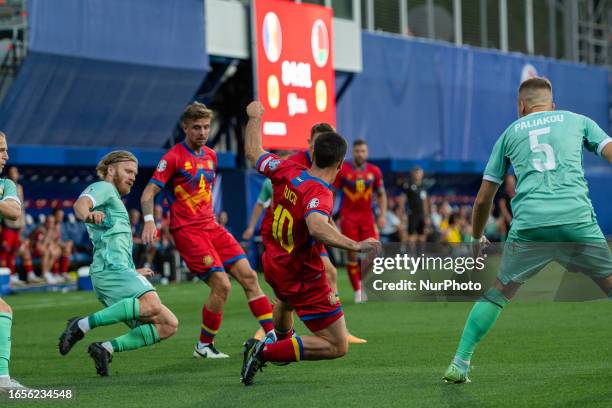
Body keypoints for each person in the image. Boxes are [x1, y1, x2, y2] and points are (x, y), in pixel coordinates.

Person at [443, 77, 612, 383]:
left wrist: (474, 237)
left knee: (498, 292)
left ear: (521, 106)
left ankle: (460, 363)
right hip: (575, 218)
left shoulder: (510, 133)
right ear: (553, 105)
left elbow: (484, 198)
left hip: (531, 224)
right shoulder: (578, 121)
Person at [240, 101, 381, 386]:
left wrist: (254, 116)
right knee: (338, 345)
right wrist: (355, 246)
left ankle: (281, 342)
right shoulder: (320, 193)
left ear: (313, 152)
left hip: (273, 261)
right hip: (301, 273)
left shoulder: (287, 168)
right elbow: (317, 227)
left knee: (284, 303)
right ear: (341, 164)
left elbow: (253, 152)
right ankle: (266, 351)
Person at [140, 102, 274, 358]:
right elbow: (148, 193)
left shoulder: (211, 156)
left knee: (249, 277)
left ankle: (272, 335)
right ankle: (203, 346)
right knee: (222, 285)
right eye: (196, 127)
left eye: (206, 127)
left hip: (212, 227)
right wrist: (149, 220)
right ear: (185, 127)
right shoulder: (173, 157)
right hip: (188, 231)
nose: (202, 132)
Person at [58, 151, 178, 377]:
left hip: (118, 272)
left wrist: (133, 272)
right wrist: (88, 215)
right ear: (111, 170)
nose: (133, 177)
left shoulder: (113, 199)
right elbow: (80, 205)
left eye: (135, 173)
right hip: (109, 272)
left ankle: (105, 348)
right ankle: (82, 325)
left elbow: (112, 244)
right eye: (128, 171)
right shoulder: (104, 188)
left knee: (168, 324)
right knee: (152, 304)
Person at [334, 139, 387, 303]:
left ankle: (360, 280)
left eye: (363, 151)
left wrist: (382, 215)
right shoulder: (342, 170)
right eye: (357, 151)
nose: (360, 154)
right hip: (348, 218)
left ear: (367, 152)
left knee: (375, 252)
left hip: (367, 218)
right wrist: (329, 213)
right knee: (352, 253)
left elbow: (381, 194)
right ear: (353, 152)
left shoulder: (375, 171)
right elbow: (333, 193)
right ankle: (358, 290)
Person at [0, 133, 29, 391]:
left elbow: (13, 211)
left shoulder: (6, 184)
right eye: (0, 150)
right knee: (3, 311)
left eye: (6, 150)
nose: (6, 156)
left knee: (3, 310)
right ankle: (2, 380)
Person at [401, 166, 430, 251]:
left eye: (420, 173)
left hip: (421, 215)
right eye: (416, 173)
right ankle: (411, 255)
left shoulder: (423, 187)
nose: (418, 175)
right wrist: (402, 212)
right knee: (411, 237)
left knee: (422, 237)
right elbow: (402, 199)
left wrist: (427, 216)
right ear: (413, 174)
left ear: (422, 174)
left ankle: (420, 257)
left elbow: (425, 202)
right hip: (412, 214)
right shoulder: (408, 185)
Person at [52, 208, 74, 282]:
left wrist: (67, 243)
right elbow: (52, 240)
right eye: (59, 215)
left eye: (62, 215)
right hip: (51, 246)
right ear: (55, 216)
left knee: (67, 248)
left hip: (58, 245)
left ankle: (63, 272)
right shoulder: (51, 224)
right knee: (57, 250)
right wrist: (63, 244)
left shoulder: (61, 225)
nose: (61, 217)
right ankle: (55, 273)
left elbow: (61, 239)